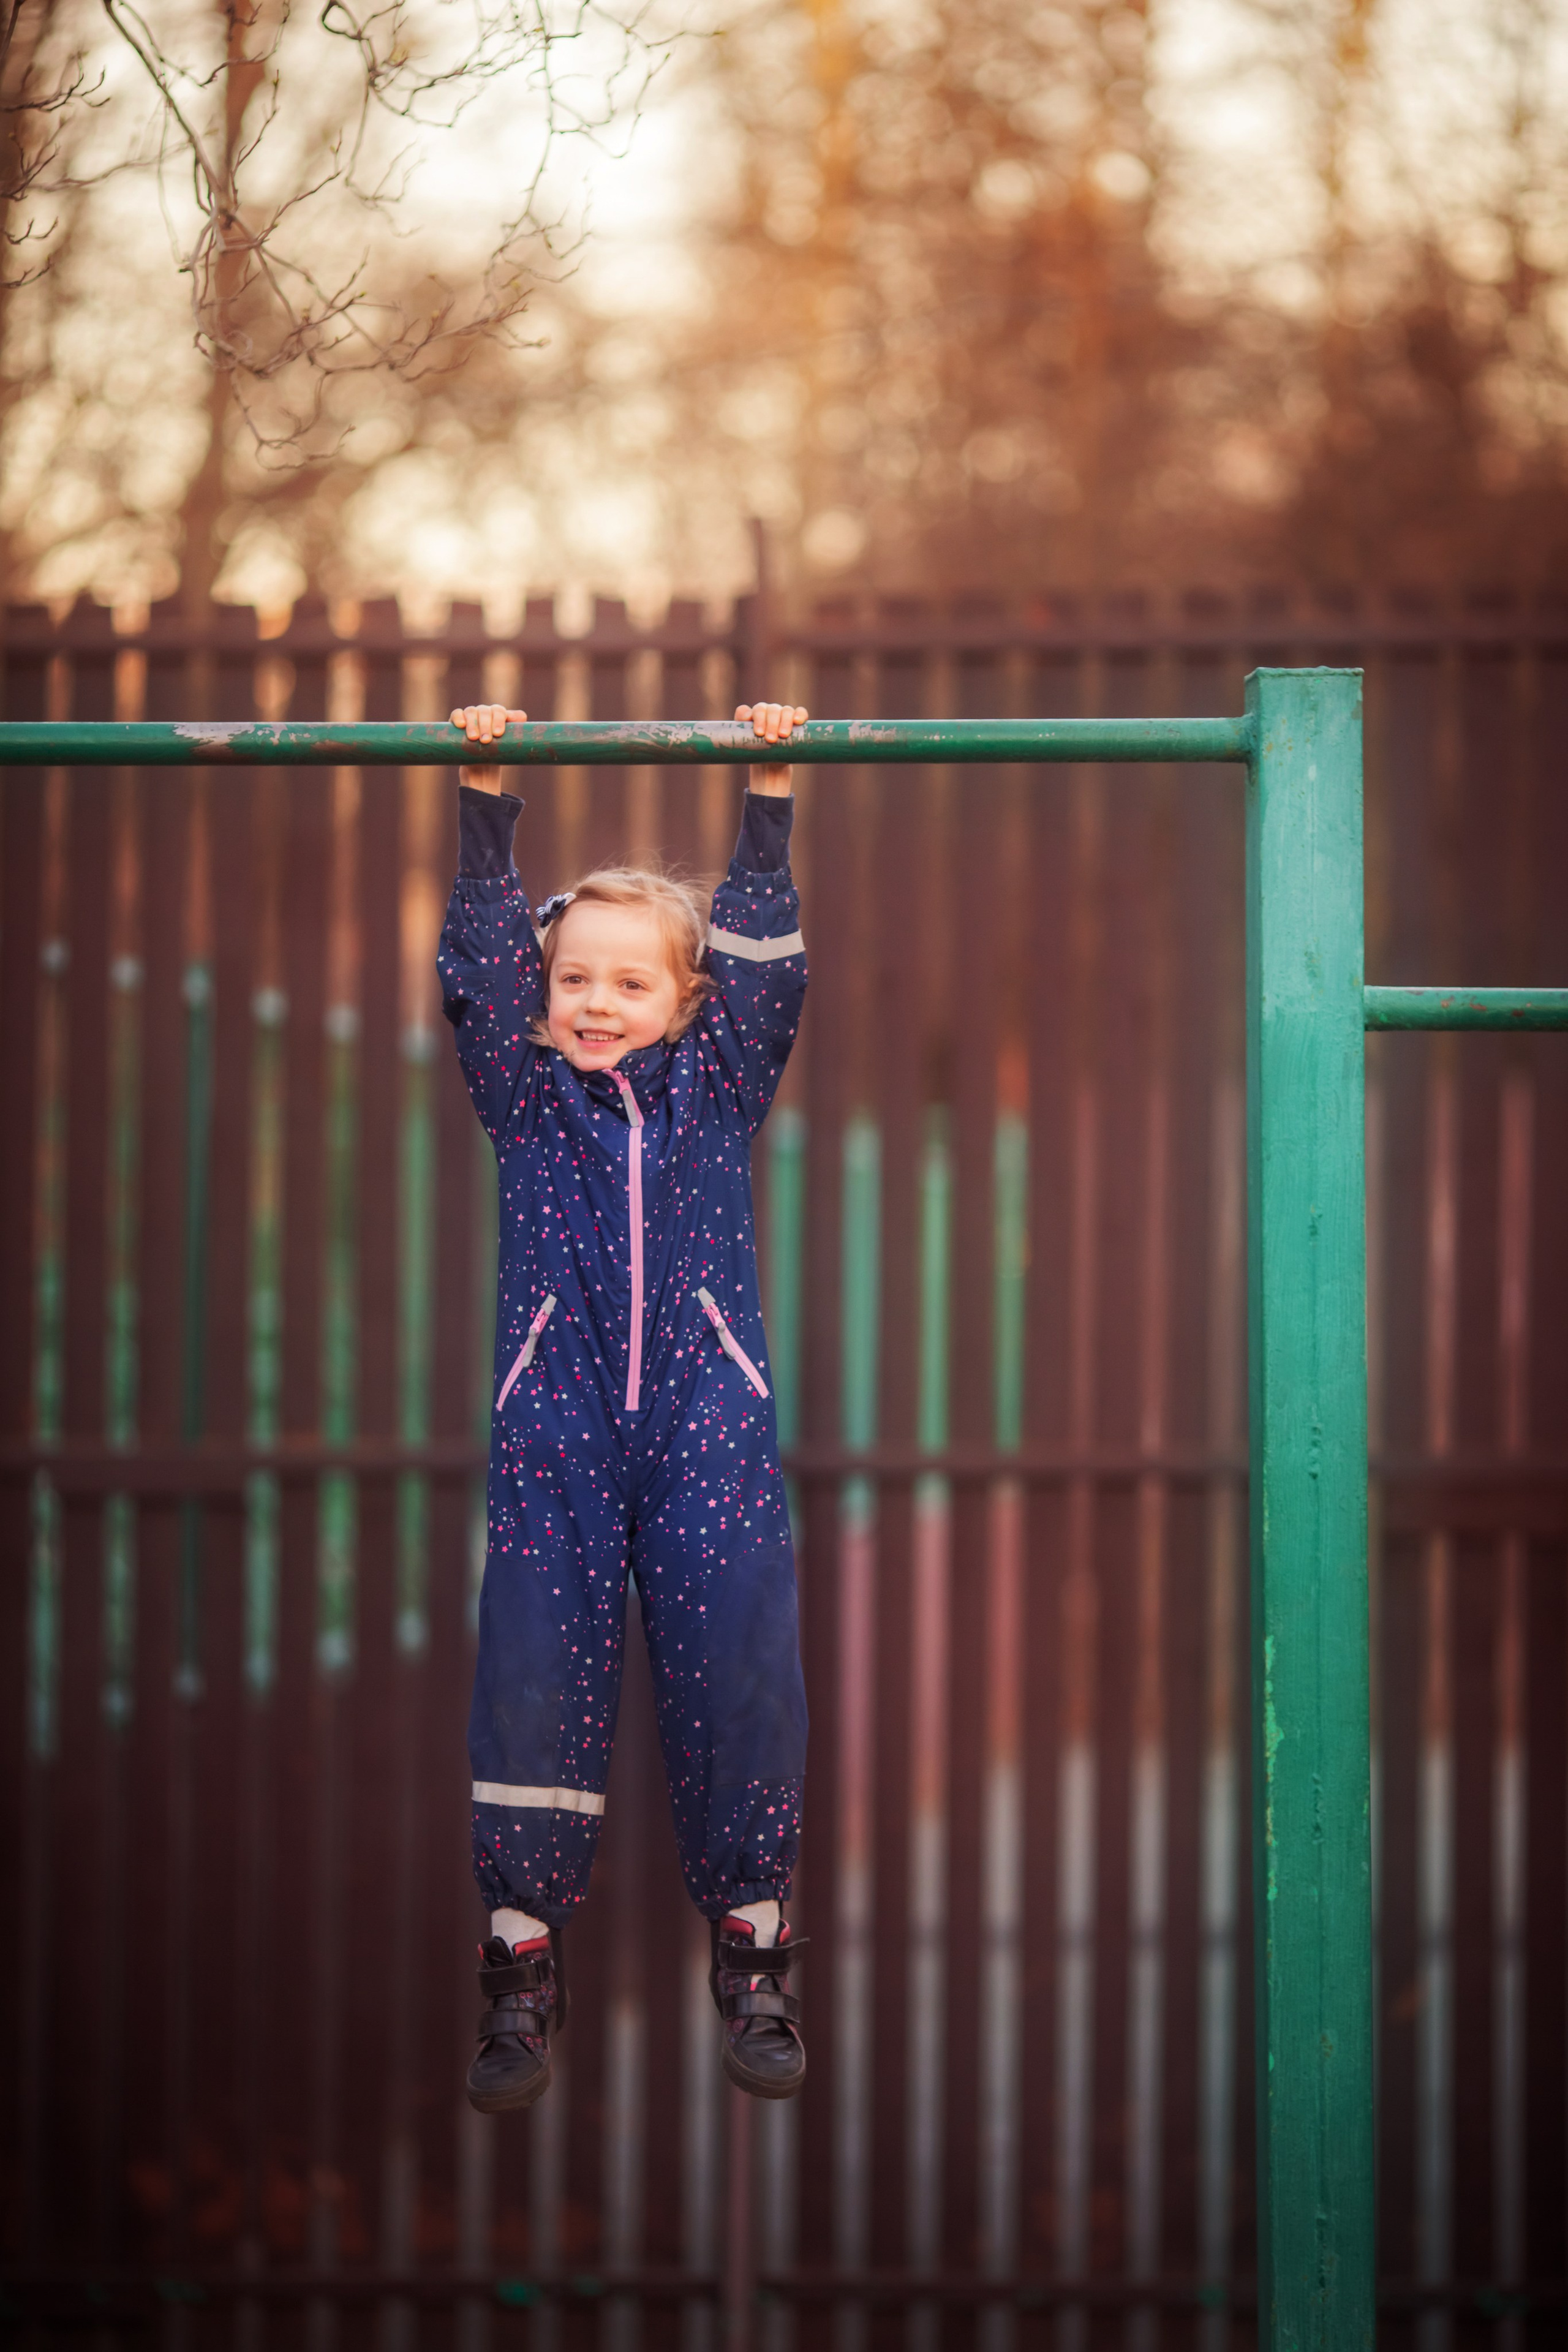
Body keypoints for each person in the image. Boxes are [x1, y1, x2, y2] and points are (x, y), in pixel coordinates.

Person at [439, 696, 812, 2113]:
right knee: (532, 1672)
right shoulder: (523, 1101)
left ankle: (755, 1945)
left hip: (707, 1430)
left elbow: (768, 968)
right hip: (556, 1432)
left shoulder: (720, 1091)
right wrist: (484, 789)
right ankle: (520, 1969)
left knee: (734, 1664)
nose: (593, 1003)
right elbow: (475, 963)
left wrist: (765, 791)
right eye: (572, 980)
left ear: (686, 1003)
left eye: (628, 984)